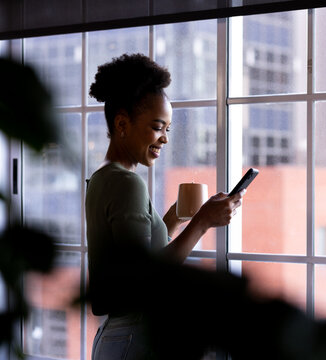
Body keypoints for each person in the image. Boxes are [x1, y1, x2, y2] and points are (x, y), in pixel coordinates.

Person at [85, 53, 245, 359]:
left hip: (116, 336)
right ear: (122, 123)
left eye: (168, 129)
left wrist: (173, 218)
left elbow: (132, 255)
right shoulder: (127, 183)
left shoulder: (102, 178)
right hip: (133, 336)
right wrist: (202, 223)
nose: (165, 139)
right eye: (158, 127)